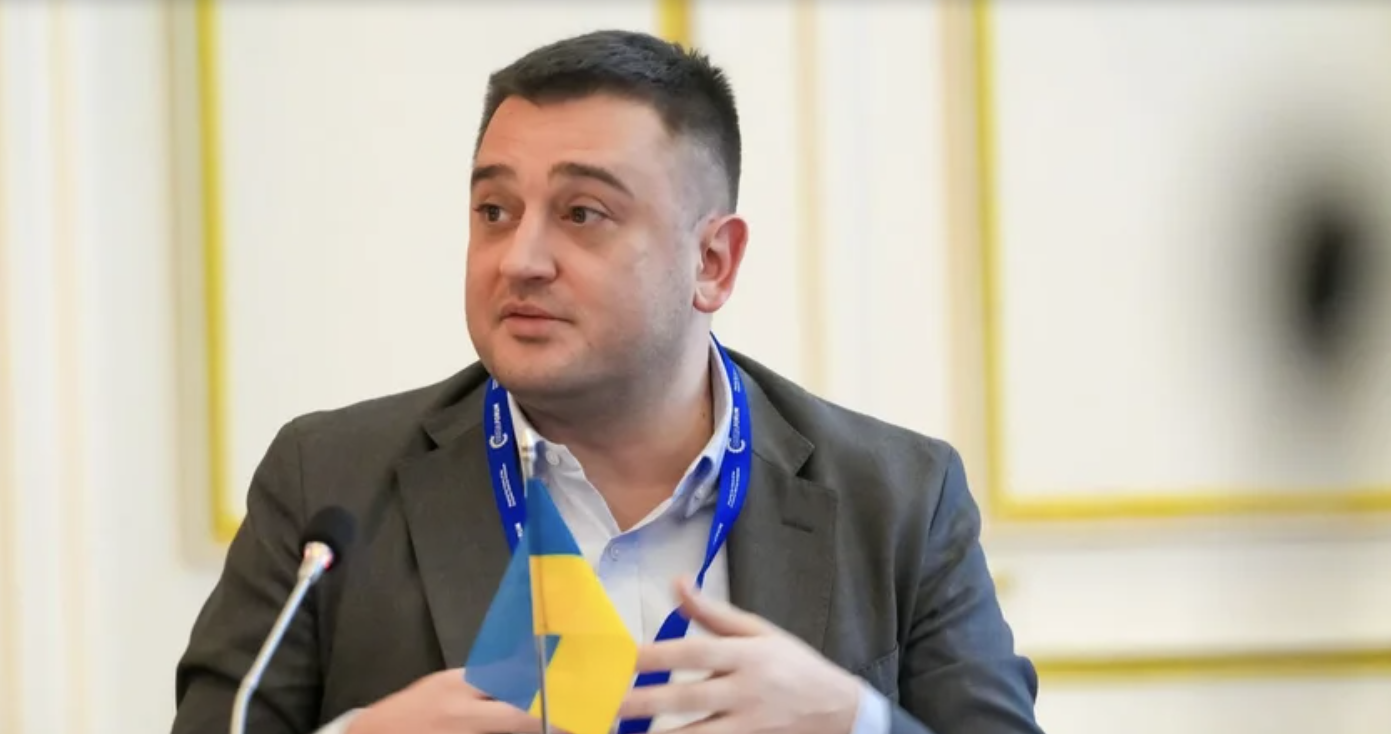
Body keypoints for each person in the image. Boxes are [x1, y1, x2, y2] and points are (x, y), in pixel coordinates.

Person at [171, 29, 1043, 734]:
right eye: (494, 211)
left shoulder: (897, 499)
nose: (520, 258)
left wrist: (857, 724)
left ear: (712, 261)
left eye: (582, 213)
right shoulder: (328, 482)